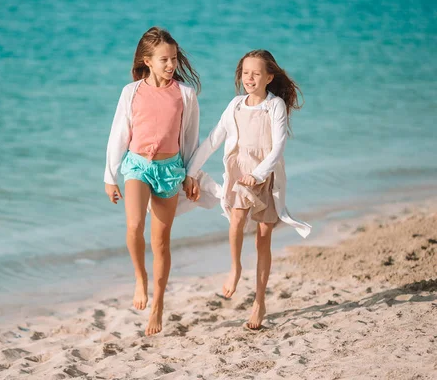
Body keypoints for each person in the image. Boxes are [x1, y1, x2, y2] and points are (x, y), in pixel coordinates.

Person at [187, 50, 311, 330]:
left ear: (269, 77)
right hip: (240, 172)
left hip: (264, 174)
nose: (249, 78)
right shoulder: (235, 105)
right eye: (245, 73)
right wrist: (191, 173)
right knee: (237, 218)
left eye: (256, 73)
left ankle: (259, 300)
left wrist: (258, 174)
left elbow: (278, 146)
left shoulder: (274, 106)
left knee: (263, 238)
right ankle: (235, 268)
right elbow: (212, 140)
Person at [103, 27, 215, 336]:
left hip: (170, 171)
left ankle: (158, 305)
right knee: (133, 225)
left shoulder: (185, 94)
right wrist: (110, 176)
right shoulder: (131, 91)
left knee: (161, 242)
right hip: (138, 165)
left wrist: (191, 174)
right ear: (147, 61)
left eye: (174, 59)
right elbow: (118, 135)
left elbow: (190, 139)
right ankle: (140, 279)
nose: (171, 65)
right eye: (164, 59)